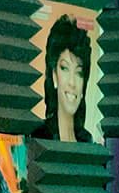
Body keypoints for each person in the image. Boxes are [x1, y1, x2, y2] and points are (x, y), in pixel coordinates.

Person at [32, 14, 94, 143]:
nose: (72, 82)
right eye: (65, 68)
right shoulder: (39, 137)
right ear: (54, 75)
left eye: (79, 73)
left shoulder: (87, 140)